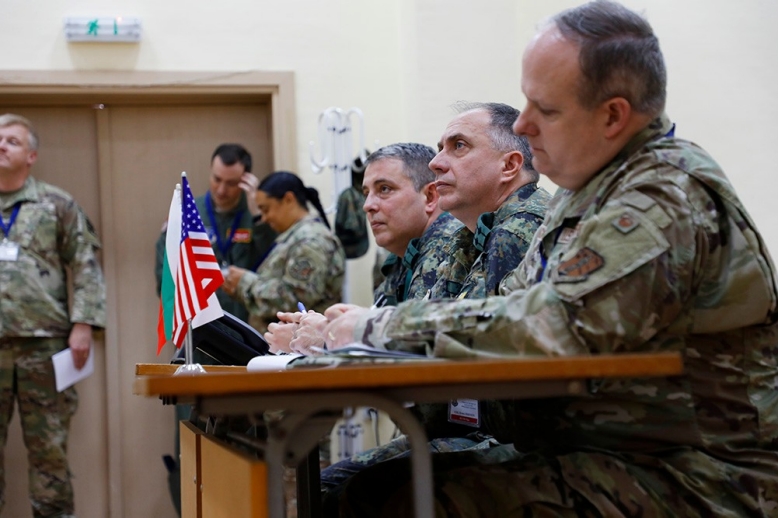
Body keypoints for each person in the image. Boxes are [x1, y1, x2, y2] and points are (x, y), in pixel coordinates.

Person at [322, 1, 778, 516]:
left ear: (613, 115)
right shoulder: (580, 196)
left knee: (403, 501)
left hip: (696, 473)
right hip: (606, 452)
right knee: (366, 489)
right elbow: (512, 301)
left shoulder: (663, 195)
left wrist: (378, 328)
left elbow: (553, 326)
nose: (523, 123)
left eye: (547, 109)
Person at [0, 114, 106, 518]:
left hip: (43, 347)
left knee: (49, 452)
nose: (1, 145)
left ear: (31, 155)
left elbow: (84, 264)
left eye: (11, 141)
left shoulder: (56, 204)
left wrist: (83, 324)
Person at [154, 143, 276, 323]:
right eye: (217, 179)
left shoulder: (258, 217)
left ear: (246, 180)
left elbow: (273, 261)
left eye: (231, 183)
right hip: (200, 322)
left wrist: (259, 216)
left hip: (247, 321)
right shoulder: (189, 214)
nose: (221, 190)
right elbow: (166, 268)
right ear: (210, 171)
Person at [221, 171, 345, 334]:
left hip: (302, 348)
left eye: (266, 209)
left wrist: (244, 283)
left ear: (288, 199)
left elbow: (295, 300)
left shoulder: (310, 241)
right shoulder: (294, 237)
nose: (263, 218)